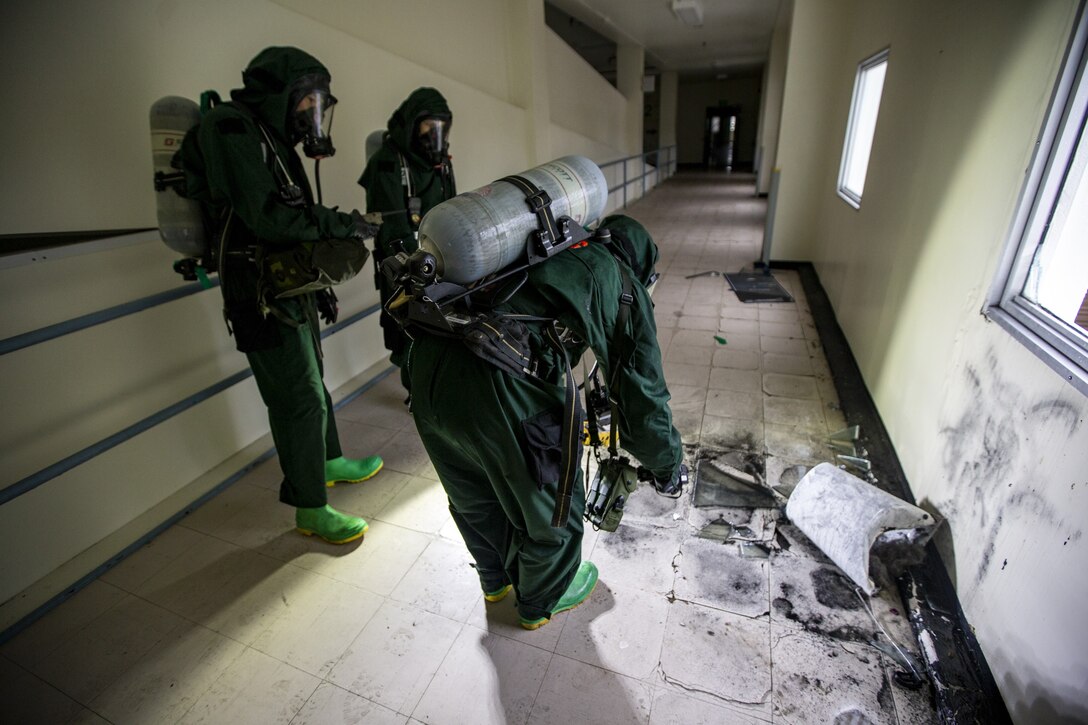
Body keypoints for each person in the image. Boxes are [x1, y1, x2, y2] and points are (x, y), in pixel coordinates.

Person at [405, 214, 685, 629]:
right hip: (497, 376)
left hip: (428, 366)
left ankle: (495, 580)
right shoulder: (620, 281)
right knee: (553, 504)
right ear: (640, 264)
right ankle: (540, 600)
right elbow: (643, 395)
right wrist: (667, 466)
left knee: (473, 488)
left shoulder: (543, 246)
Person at [180, 46, 383, 544]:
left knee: (313, 378)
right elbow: (268, 217)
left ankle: (328, 460)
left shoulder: (269, 136)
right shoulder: (231, 128)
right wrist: (342, 223)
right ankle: (310, 507)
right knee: (299, 396)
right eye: (305, 103)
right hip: (259, 289)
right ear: (280, 95)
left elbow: (289, 213)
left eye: (317, 105)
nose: (311, 116)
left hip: (288, 282)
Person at [358, 87, 456, 394]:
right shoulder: (387, 163)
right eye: (429, 126)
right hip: (403, 263)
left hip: (441, 261)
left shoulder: (442, 164)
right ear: (413, 126)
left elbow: (453, 208)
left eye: (442, 126)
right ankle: (415, 391)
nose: (435, 134)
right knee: (408, 331)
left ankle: (435, 388)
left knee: (442, 330)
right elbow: (391, 230)